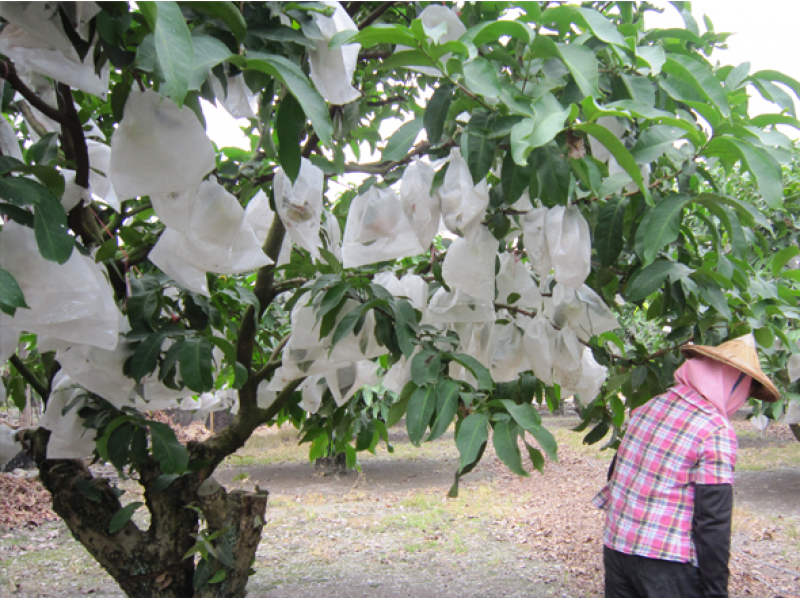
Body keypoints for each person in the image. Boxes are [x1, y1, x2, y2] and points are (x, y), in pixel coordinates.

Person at [593, 334, 780, 598]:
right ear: (733, 384)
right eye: (746, 391)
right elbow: (713, 520)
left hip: (617, 546)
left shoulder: (647, 407)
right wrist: (716, 590)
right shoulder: (715, 430)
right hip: (667, 561)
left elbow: (616, 473)